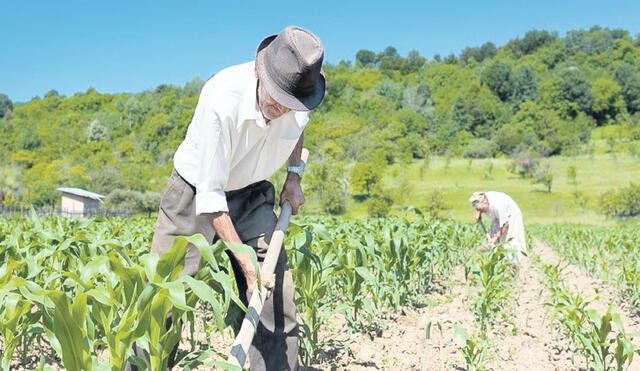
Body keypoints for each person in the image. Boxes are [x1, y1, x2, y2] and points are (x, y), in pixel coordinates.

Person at [129, 25, 325, 371]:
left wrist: (293, 176)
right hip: (195, 192)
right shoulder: (221, 98)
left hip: (251, 190)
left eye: (289, 103)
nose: (282, 108)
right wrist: (246, 265)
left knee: (274, 290)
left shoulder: (299, 96)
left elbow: (298, 127)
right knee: (165, 296)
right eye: (276, 98)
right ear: (258, 72)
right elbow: (210, 196)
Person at [469, 191, 526, 267]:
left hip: (511, 217)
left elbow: (506, 224)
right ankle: (498, 264)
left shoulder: (498, 206)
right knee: (495, 245)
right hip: (497, 217)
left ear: (486, 202)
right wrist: (479, 212)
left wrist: (496, 237)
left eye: (483, 210)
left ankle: (514, 270)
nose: (484, 212)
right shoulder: (482, 197)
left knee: (509, 243)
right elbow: (478, 204)